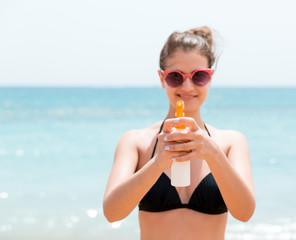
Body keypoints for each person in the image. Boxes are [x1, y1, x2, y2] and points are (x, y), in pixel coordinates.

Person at [103, 26, 256, 240]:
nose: (187, 85)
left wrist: (213, 154)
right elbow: (112, 213)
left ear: (210, 78)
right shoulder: (136, 141)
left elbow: (245, 212)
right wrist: (157, 164)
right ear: (161, 78)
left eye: (198, 76)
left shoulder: (230, 143)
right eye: (175, 76)